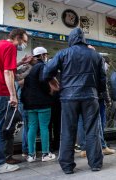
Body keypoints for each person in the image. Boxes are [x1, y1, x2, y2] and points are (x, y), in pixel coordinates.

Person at [43, 28, 105, 174]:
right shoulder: (95, 55)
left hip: (68, 97)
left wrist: (55, 84)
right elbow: (102, 79)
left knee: (67, 131)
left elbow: (46, 72)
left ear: (70, 39)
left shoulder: (63, 53)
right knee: (92, 130)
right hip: (90, 96)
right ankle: (95, 164)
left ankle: (67, 166)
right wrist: (99, 92)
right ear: (84, 39)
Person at [0, 28, 32, 174]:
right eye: (24, 41)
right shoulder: (10, 47)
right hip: (2, 94)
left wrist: (20, 62)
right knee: (1, 130)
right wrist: (13, 95)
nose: (24, 45)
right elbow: (8, 72)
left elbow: (6, 68)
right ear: (18, 38)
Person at [21, 47, 56, 163]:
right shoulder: (42, 66)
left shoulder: (30, 69)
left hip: (30, 104)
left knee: (32, 128)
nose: (46, 57)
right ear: (42, 56)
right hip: (43, 103)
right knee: (44, 128)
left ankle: (31, 155)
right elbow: (43, 81)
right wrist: (49, 91)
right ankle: (45, 154)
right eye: (45, 55)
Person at [99, 57, 115, 154]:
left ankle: (85, 148)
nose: (108, 68)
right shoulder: (100, 71)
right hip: (99, 100)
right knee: (101, 123)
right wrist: (108, 100)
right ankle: (102, 146)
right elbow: (104, 87)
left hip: (91, 100)